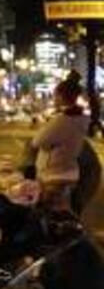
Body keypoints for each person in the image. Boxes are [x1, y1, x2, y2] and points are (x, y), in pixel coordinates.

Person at [23, 71, 90, 212]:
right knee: (62, 214)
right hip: (68, 173)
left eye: (55, 95)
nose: (54, 98)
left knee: (51, 217)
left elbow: (37, 141)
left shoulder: (62, 120)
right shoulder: (81, 117)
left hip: (54, 176)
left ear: (61, 96)